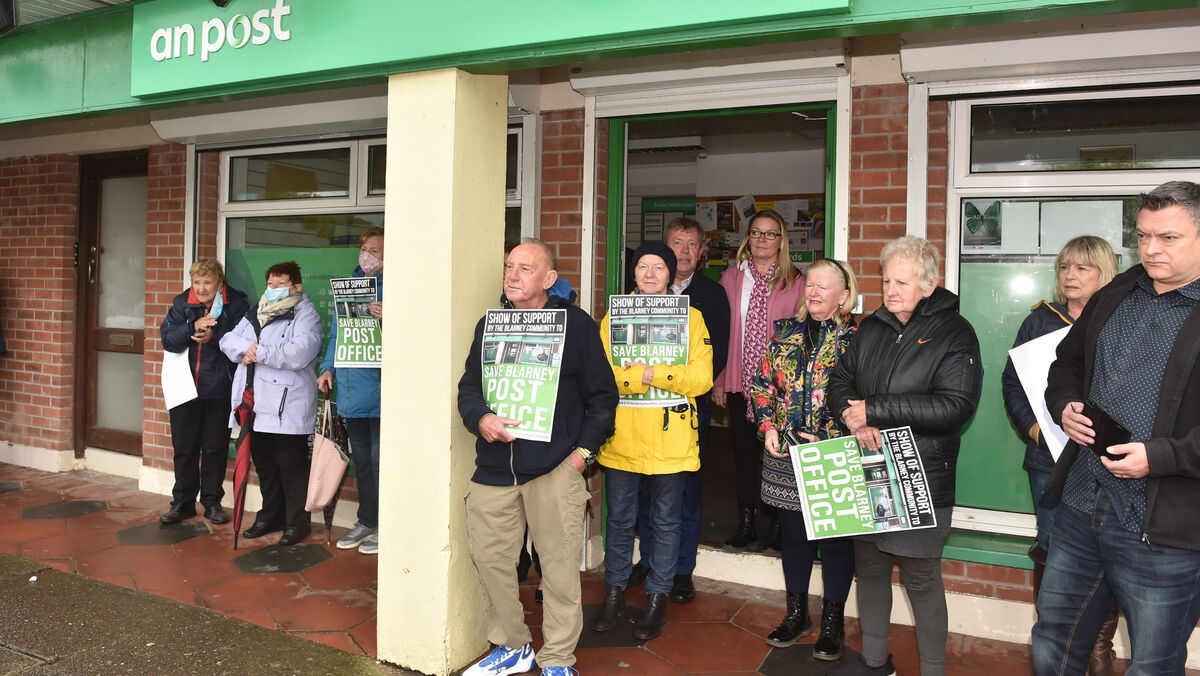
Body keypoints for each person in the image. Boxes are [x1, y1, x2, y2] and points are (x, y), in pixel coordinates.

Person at [1034, 181, 1200, 675]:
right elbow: (1065, 363)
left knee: (1152, 663)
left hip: (1165, 524)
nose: (1150, 248)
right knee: (1053, 642)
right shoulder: (1120, 289)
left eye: (1168, 237)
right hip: (1083, 506)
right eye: (1143, 235)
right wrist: (1064, 405)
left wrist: (1161, 457)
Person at [457, 239, 617, 676]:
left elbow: (603, 397)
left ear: (548, 279)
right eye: (509, 266)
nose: (512, 275)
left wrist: (581, 456)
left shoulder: (576, 326)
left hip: (554, 468)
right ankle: (513, 645)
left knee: (560, 571)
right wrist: (481, 417)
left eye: (525, 269)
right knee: (490, 561)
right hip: (494, 468)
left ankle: (558, 659)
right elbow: (469, 387)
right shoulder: (489, 325)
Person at [827, 236, 983, 676]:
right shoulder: (872, 326)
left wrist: (876, 409)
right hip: (869, 468)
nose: (890, 289)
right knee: (870, 570)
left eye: (901, 281)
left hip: (921, 479)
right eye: (885, 279)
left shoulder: (955, 332)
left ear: (929, 285)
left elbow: (955, 406)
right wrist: (854, 418)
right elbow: (840, 381)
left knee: (921, 582)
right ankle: (876, 664)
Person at [999, 235, 1119, 674]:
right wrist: (1032, 428)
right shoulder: (1038, 322)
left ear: (1105, 273)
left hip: (1104, 459)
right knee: (1050, 547)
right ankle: (1056, 640)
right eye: (1065, 267)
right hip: (1048, 459)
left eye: (1083, 268)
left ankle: (1099, 648)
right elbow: (1013, 383)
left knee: (1110, 551)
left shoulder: (1120, 317)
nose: (1071, 276)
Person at [592, 242, 713, 642]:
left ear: (670, 272)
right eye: (642, 266)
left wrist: (651, 373)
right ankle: (614, 595)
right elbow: (602, 373)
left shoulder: (691, 318)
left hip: (671, 438)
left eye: (657, 266)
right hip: (622, 435)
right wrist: (634, 379)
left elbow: (701, 378)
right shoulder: (614, 318)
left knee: (665, 522)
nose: (649, 273)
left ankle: (657, 599)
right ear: (634, 273)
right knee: (619, 520)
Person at [750, 258, 858, 660]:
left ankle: (833, 623)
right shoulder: (784, 333)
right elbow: (762, 384)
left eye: (823, 287)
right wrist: (768, 426)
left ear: (844, 296)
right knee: (793, 536)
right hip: (786, 452)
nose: (813, 292)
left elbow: (866, 399)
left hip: (833, 452)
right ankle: (797, 616)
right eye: (810, 284)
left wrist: (830, 435)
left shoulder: (857, 339)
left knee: (833, 539)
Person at [626, 217, 730, 603]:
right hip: (637, 409)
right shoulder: (635, 297)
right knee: (645, 489)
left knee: (682, 492)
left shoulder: (712, 295)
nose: (685, 251)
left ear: (701, 251)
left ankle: (682, 569)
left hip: (688, 407)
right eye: (677, 243)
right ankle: (650, 560)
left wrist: (673, 380)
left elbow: (714, 356)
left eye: (691, 244)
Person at [715, 209, 805, 553]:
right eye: (756, 233)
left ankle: (780, 528)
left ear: (782, 240)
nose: (762, 240)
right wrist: (721, 380)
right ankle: (747, 524)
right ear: (747, 239)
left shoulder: (796, 280)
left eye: (770, 234)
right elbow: (723, 335)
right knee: (744, 456)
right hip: (740, 383)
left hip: (780, 390)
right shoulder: (731, 278)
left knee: (779, 456)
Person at [220, 261, 323, 547]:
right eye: (271, 283)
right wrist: (246, 350)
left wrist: (259, 352)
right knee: (264, 464)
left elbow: (299, 353)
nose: (274, 289)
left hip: (287, 406)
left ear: (296, 286)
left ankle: (296, 523)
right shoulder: (257, 310)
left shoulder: (306, 314)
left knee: (291, 466)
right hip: (256, 403)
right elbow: (228, 341)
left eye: (280, 284)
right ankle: (270, 516)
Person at [158, 258, 250, 525]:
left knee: (215, 449)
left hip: (218, 389)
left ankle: (212, 503)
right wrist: (192, 327)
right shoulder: (181, 304)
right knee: (184, 449)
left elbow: (243, 341)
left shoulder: (237, 303)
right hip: (184, 389)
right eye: (196, 282)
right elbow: (168, 341)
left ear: (219, 282)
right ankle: (183, 503)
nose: (200, 288)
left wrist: (215, 337)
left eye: (207, 282)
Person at [317, 227, 385, 555]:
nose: (370, 255)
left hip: (381, 387)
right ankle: (367, 520)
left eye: (378, 250)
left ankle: (386, 523)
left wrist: (390, 317)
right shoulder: (352, 285)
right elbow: (338, 333)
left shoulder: (399, 286)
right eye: (367, 248)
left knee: (380, 458)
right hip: (351, 388)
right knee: (364, 460)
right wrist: (327, 367)